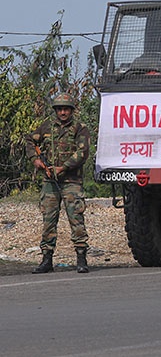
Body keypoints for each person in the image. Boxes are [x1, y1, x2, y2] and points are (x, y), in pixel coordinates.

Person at [26, 92, 91, 274]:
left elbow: (82, 152)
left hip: (71, 180)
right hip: (50, 181)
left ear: (71, 110)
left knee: (76, 219)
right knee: (48, 219)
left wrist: (64, 167)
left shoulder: (80, 128)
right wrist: (35, 160)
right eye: (60, 109)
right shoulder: (46, 127)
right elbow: (30, 140)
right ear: (56, 110)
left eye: (66, 109)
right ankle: (46, 259)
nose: (63, 112)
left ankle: (81, 258)